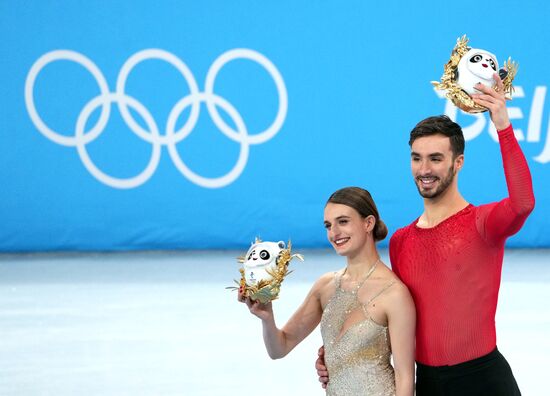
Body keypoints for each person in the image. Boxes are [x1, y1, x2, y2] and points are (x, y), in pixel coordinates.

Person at [316, 74, 535, 395]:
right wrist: (338, 358)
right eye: (417, 158)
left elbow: (523, 202)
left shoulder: (482, 223)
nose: (424, 169)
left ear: (458, 162)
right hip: (429, 384)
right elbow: (391, 320)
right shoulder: (402, 241)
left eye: (436, 158)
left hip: (485, 381)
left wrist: (502, 125)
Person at [240, 187, 416, 395]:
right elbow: (279, 348)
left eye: (343, 222)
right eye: (328, 225)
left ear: (368, 223)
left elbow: (405, 378)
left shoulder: (394, 294)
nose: (334, 233)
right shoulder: (326, 287)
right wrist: (266, 317)